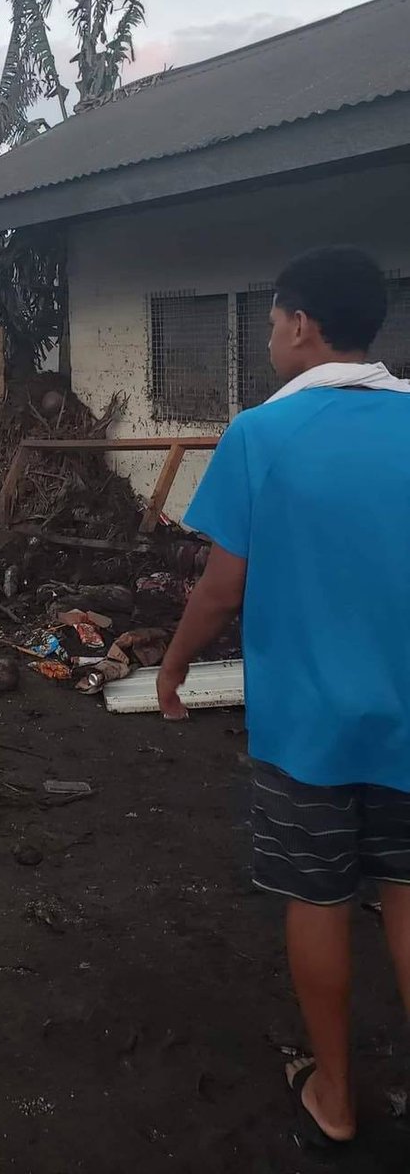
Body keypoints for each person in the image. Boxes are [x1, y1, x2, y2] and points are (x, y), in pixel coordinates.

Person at [157, 246, 410, 1147]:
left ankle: (335, 1100)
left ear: (301, 325)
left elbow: (223, 588)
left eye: (269, 323)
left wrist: (175, 666)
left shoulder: (259, 436)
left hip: (305, 728)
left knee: (321, 902)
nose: (269, 339)